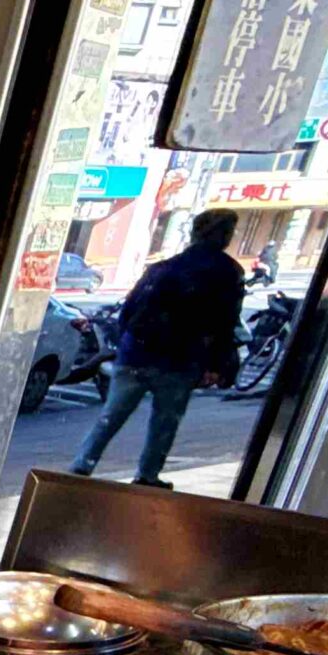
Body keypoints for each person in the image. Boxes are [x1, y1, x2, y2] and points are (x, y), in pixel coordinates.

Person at [69, 209, 245, 489]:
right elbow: (225, 322)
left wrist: (126, 344)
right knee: (165, 422)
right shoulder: (227, 272)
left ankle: (82, 465)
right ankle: (147, 475)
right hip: (180, 359)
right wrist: (217, 364)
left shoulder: (164, 267)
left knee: (111, 415)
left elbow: (129, 309)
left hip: (136, 353)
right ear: (224, 235)